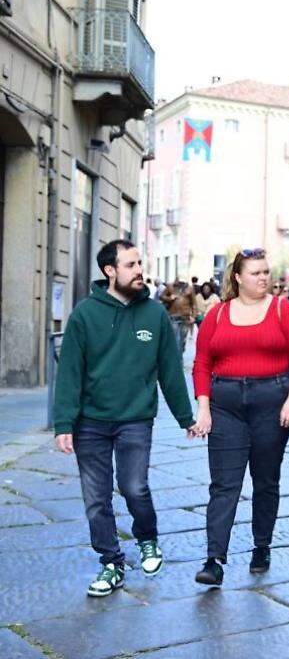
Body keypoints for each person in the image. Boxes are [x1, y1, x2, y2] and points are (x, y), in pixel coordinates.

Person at [53, 240, 197, 597]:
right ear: (110, 271)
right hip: (91, 422)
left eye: (139, 263)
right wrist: (63, 424)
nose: (139, 270)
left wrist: (185, 417)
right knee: (96, 498)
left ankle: (148, 540)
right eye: (130, 264)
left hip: (135, 418)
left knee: (134, 487)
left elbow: (170, 370)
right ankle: (111, 563)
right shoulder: (85, 315)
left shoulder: (153, 313)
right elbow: (70, 372)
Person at [191, 248, 289, 586]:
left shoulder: (281, 309)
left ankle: (262, 544)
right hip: (225, 405)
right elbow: (201, 363)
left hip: (271, 403)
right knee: (223, 484)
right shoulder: (217, 314)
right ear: (238, 278)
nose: (263, 278)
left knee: (265, 478)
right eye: (256, 273)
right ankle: (214, 559)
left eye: (265, 272)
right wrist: (203, 408)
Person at [160, 279, 198, 354]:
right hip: (173, 315)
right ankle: (175, 356)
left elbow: (194, 303)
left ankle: (180, 353)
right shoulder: (170, 287)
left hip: (185, 316)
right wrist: (170, 298)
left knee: (183, 338)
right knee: (173, 337)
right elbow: (162, 296)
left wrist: (193, 316)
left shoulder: (189, 288)